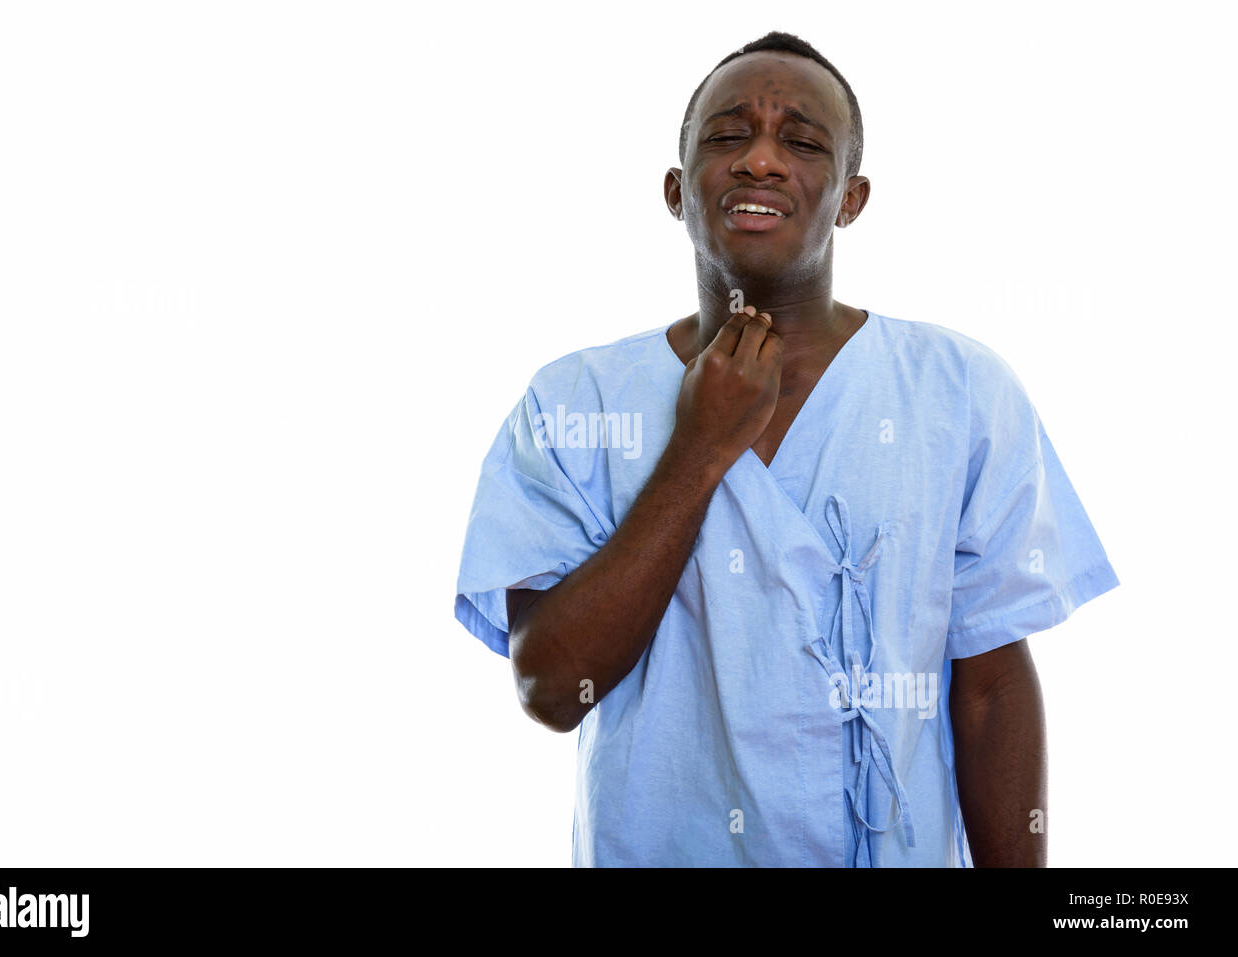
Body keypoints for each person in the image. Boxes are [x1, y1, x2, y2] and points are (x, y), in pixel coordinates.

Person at [453, 30, 1119, 866]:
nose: (761, 161)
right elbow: (549, 686)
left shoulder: (959, 391)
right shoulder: (573, 404)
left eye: (802, 142)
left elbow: (988, 687)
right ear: (675, 189)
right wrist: (698, 448)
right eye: (728, 136)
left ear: (851, 197)